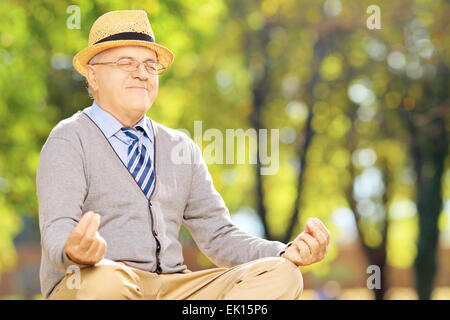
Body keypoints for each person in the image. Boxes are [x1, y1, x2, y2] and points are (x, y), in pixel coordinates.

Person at [37, 10, 331, 300]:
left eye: (150, 66)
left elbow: (219, 235)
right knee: (106, 283)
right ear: (93, 74)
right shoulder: (69, 138)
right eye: (126, 62)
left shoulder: (180, 147)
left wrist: (283, 251)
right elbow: (58, 226)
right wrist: (72, 249)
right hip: (94, 281)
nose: (141, 73)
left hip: (174, 288)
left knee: (282, 274)